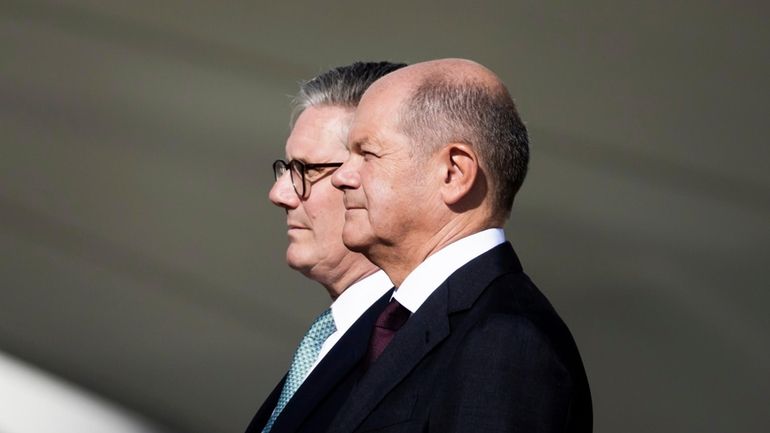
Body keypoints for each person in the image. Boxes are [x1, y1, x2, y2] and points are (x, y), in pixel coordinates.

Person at [329, 58, 592, 432]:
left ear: (454, 173)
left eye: (367, 153)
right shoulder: (401, 319)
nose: (341, 176)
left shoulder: (504, 342)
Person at [244, 61, 406, 433]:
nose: (279, 193)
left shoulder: (415, 346)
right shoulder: (334, 337)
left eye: (306, 170)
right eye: (286, 168)